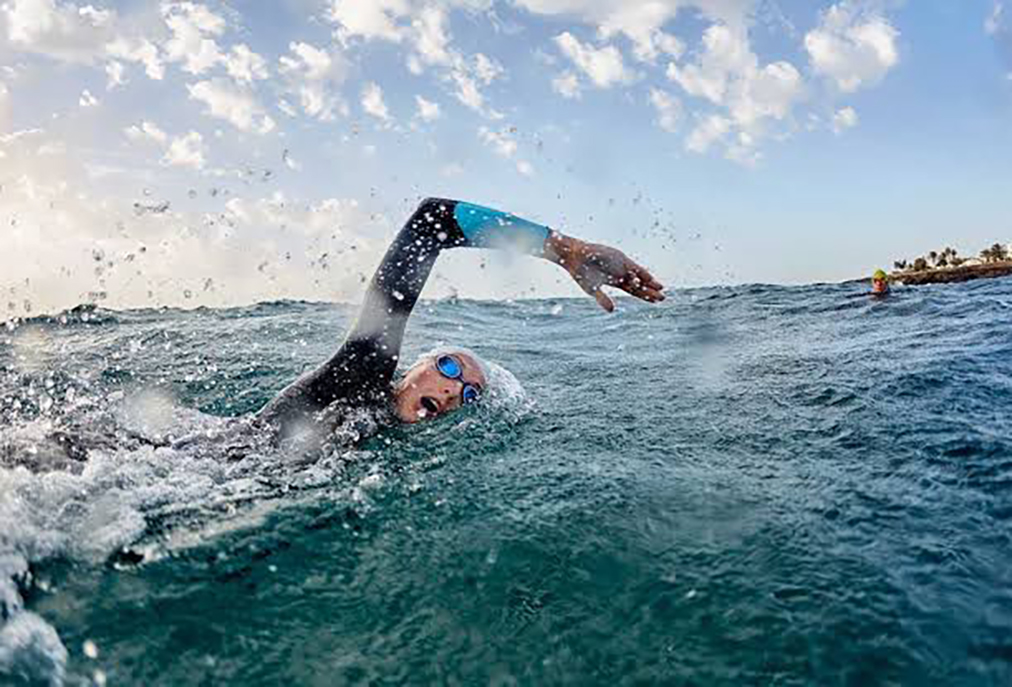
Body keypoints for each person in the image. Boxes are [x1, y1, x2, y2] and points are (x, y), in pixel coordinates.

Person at [256, 197, 665, 439]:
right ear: (412, 368)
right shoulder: (360, 376)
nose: (454, 391)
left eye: (468, 395)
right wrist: (566, 250)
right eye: (448, 367)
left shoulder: (394, 445)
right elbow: (431, 221)